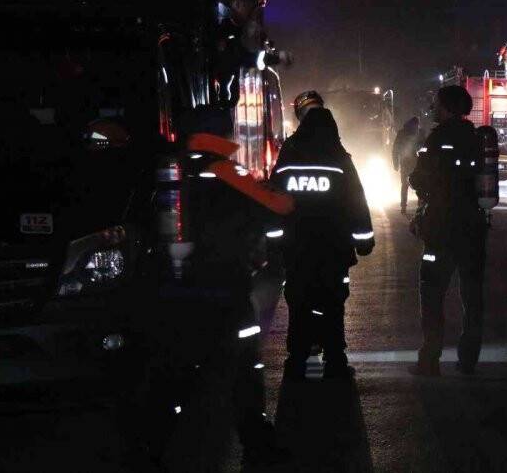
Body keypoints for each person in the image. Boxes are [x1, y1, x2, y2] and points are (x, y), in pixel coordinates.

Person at [133, 105, 293, 466]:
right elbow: (275, 212)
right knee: (244, 367)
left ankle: (153, 445)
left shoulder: (169, 172)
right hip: (228, 289)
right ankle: (255, 442)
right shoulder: (230, 173)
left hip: (175, 291)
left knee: (172, 367)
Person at [271, 99, 374, 381]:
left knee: (299, 299)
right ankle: (335, 359)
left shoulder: (289, 153)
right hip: (333, 248)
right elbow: (356, 202)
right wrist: (364, 239)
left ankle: (297, 359)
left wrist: (274, 240)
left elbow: (274, 198)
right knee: (332, 301)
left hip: (297, 247)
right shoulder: (338, 156)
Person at [408, 85, 487, 377]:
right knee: (473, 296)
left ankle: (429, 359)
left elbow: (419, 179)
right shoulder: (478, 138)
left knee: (432, 294)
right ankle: (468, 360)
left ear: (448, 107)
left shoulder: (437, 137)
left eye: (436, 104)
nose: (432, 109)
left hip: (441, 228)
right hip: (474, 230)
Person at [392, 116, 423, 213]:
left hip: (404, 161)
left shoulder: (401, 133)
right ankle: (420, 205)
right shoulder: (419, 133)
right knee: (419, 183)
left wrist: (396, 163)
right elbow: (424, 146)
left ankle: (403, 206)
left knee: (404, 185)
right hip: (415, 162)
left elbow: (395, 149)